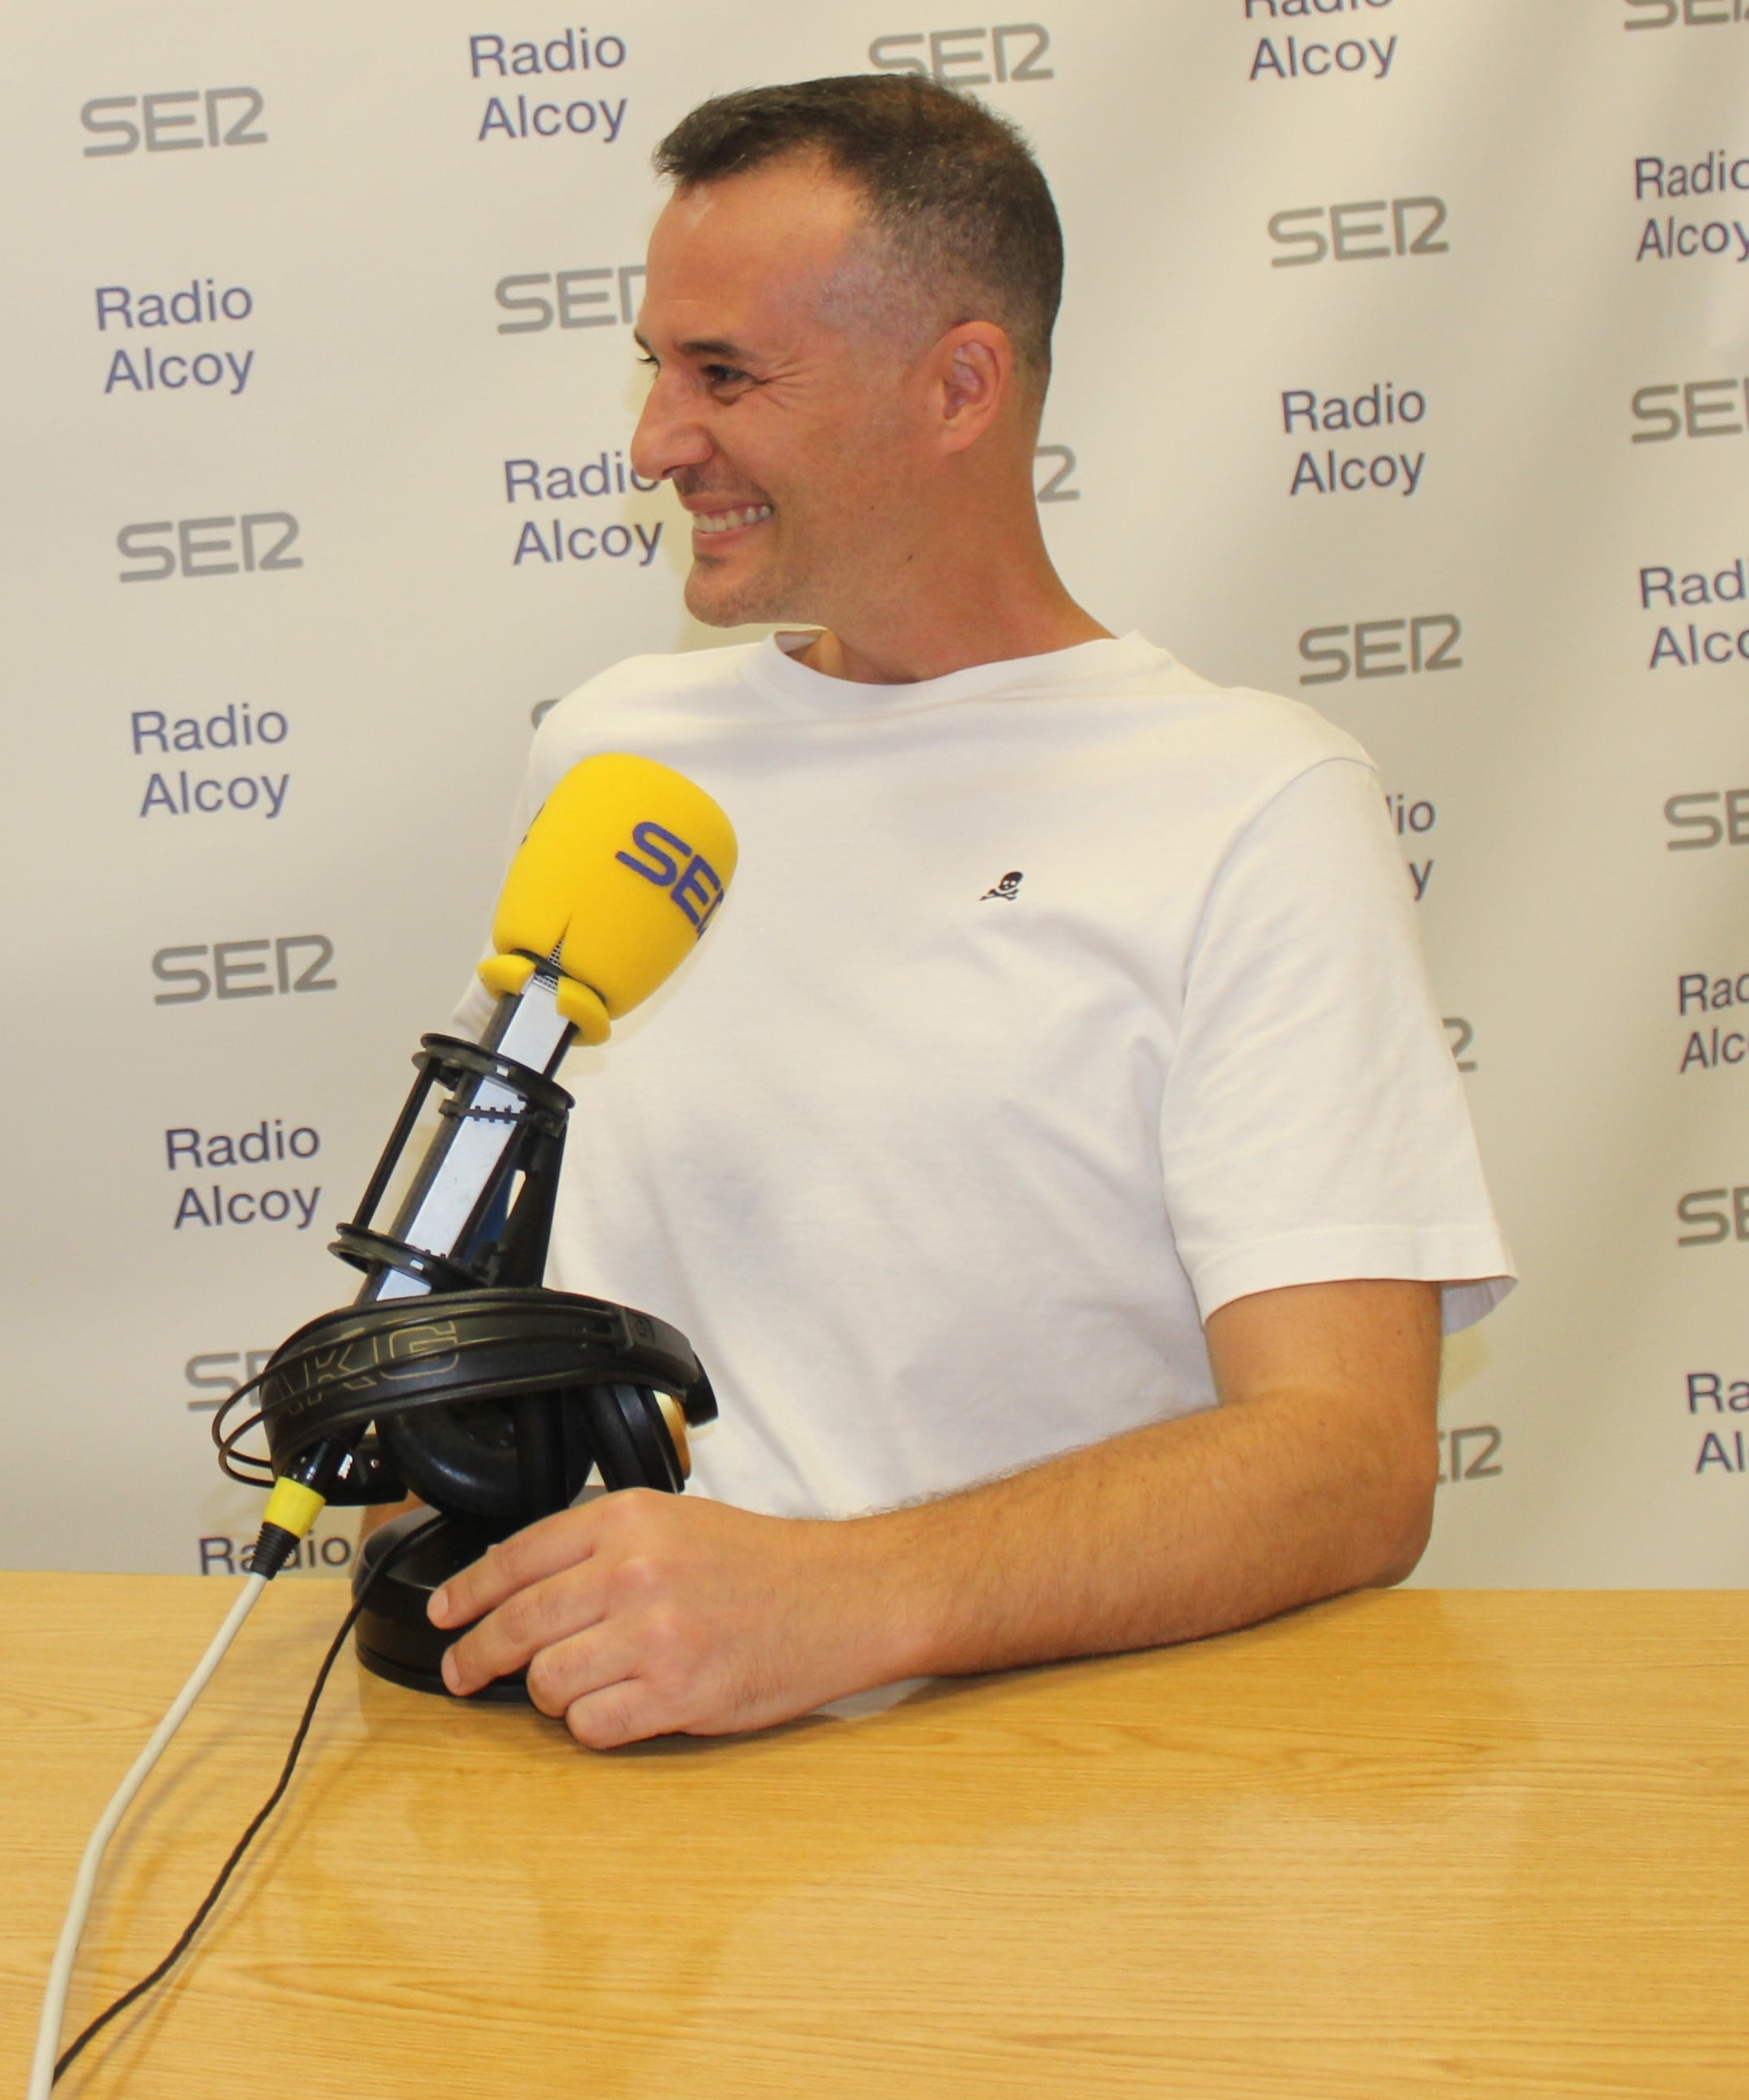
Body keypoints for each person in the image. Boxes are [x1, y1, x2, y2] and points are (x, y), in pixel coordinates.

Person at [425, 78, 1510, 1744]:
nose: (656, 443)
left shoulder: (1255, 804)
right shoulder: (615, 755)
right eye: (657, 368)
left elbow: (1350, 1463)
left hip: (1054, 1810)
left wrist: (835, 1605)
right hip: (604, 1794)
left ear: (960, 385)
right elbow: (488, 1284)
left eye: (727, 375)